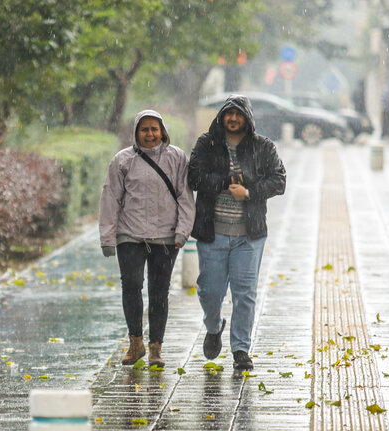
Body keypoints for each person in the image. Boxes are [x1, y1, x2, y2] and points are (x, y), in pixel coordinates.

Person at [188, 94, 286, 371]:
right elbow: (193, 176)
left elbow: (279, 180)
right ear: (221, 117)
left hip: (249, 235)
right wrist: (223, 182)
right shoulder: (207, 144)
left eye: (238, 114)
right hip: (212, 231)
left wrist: (249, 191)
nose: (233, 119)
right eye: (228, 114)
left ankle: (241, 349)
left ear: (248, 118)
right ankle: (214, 324)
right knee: (209, 290)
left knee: (245, 293)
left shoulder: (262, 147)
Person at [99, 109, 195, 368]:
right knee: (131, 286)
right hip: (130, 234)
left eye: (154, 129)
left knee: (159, 291)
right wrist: (107, 237)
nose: (150, 134)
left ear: (163, 131)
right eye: (144, 129)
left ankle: (156, 348)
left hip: (166, 237)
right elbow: (110, 198)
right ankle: (136, 342)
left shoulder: (177, 158)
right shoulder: (123, 160)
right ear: (136, 133)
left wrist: (182, 231)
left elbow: (185, 196)